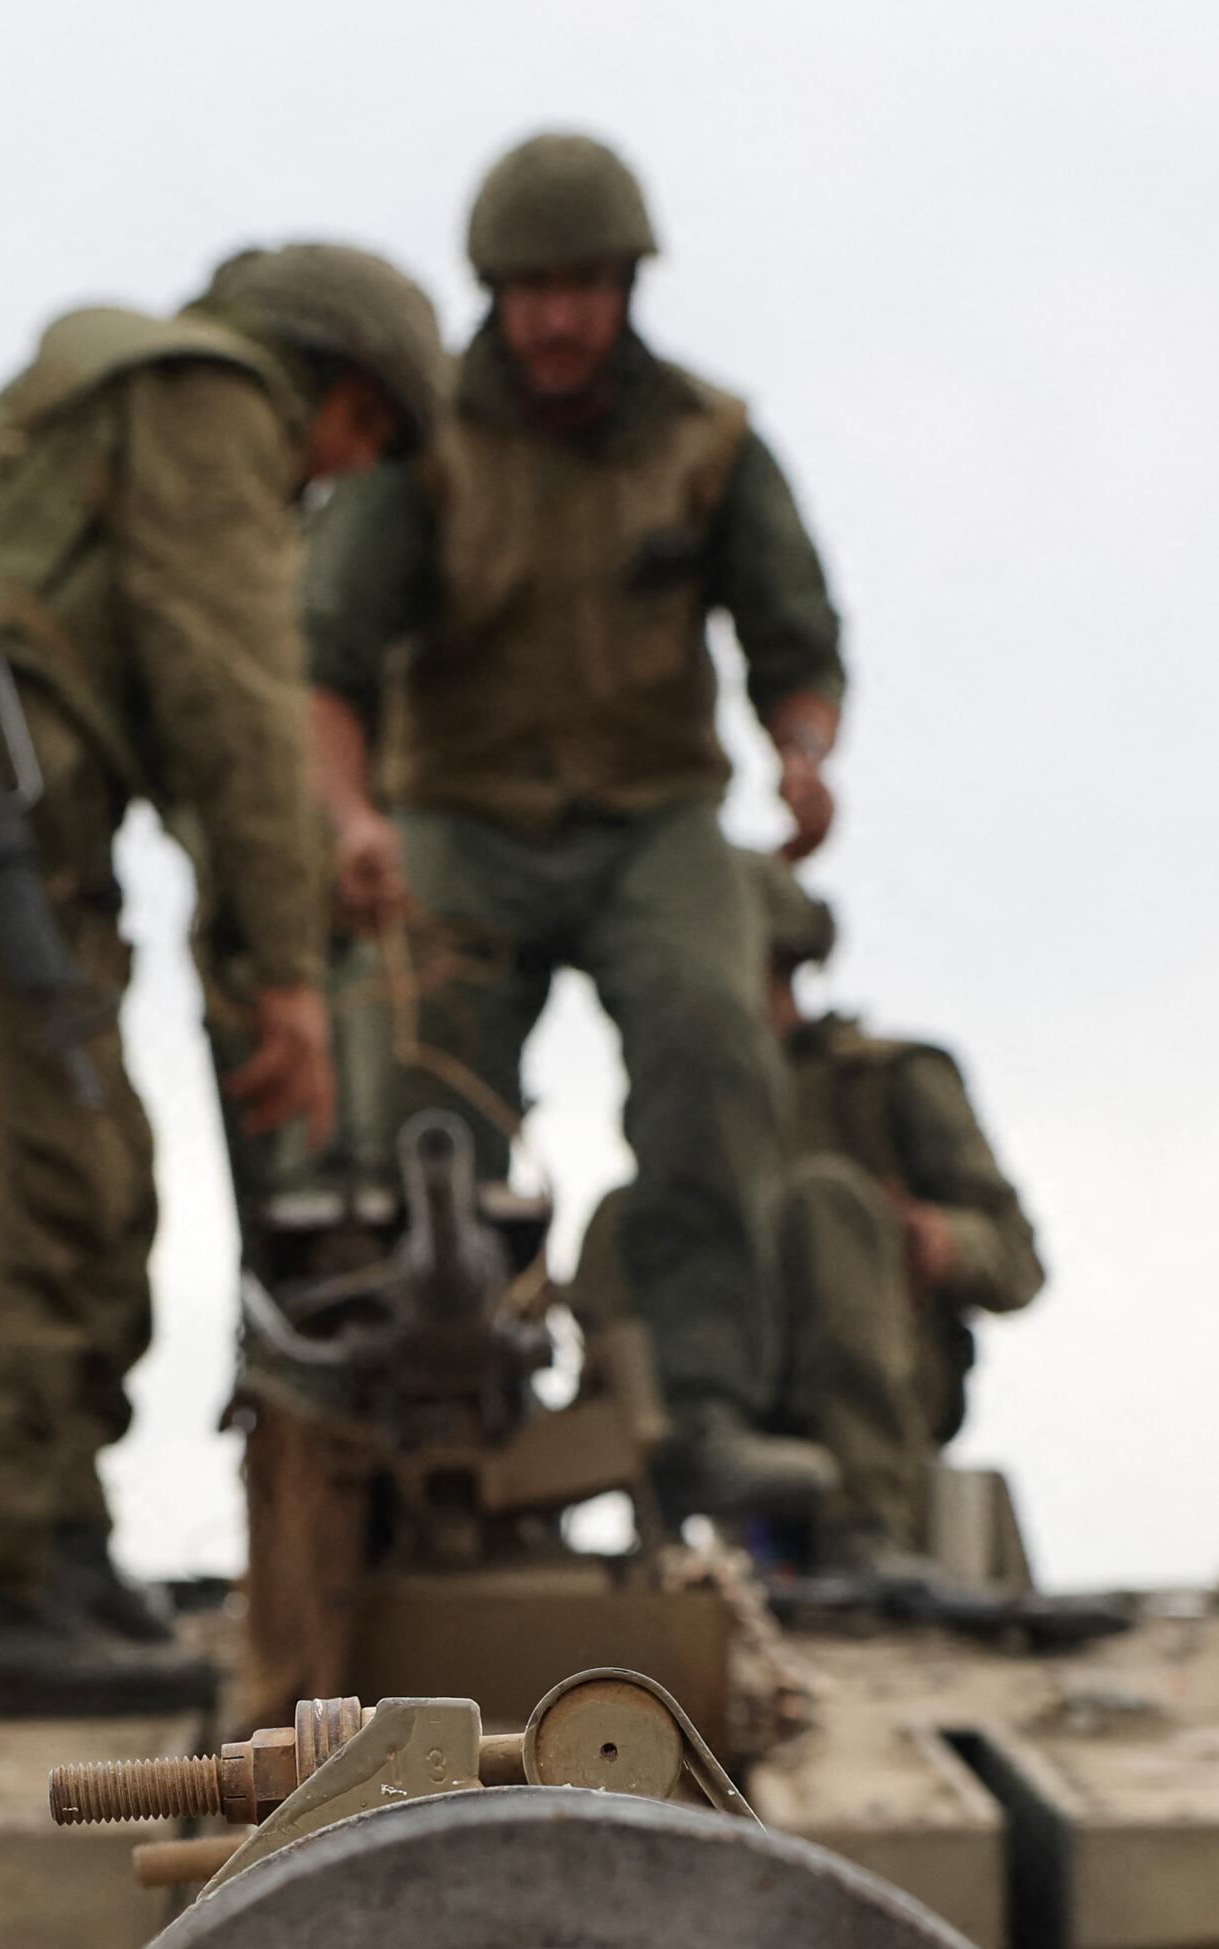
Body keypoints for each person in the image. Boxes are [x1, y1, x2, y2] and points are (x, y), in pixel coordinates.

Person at [0, 242, 450, 1720]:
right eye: (368, 441)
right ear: (340, 384)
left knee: (87, 1160)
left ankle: (50, 1549)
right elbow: (226, 691)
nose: (343, 476)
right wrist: (285, 976)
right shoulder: (218, 401)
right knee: (17, 1165)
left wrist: (298, 867)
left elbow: (178, 708)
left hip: (3, 790)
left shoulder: (142, 387)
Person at [302, 132, 848, 1536]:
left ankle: (705, 1412)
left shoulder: (708, 440)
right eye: (530, 288)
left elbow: (796, 637)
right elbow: (328, 663)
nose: (556, 319)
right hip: (456, 818)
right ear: (491, 291)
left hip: (651, 817)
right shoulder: (419, 448)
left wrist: (802, 754)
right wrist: (353, 815)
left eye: (584, 286)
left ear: (627, 286)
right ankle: (438, 1436)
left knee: (712, 1044)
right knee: (413, 1105)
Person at [744, 850, 1043, 1567]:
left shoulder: (884, 1080)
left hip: (887, 1396)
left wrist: (940, 1240)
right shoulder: (696, 1109)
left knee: (826, 1201)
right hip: (739, 1393)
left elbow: (1016, 1259)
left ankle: (863, 1522)